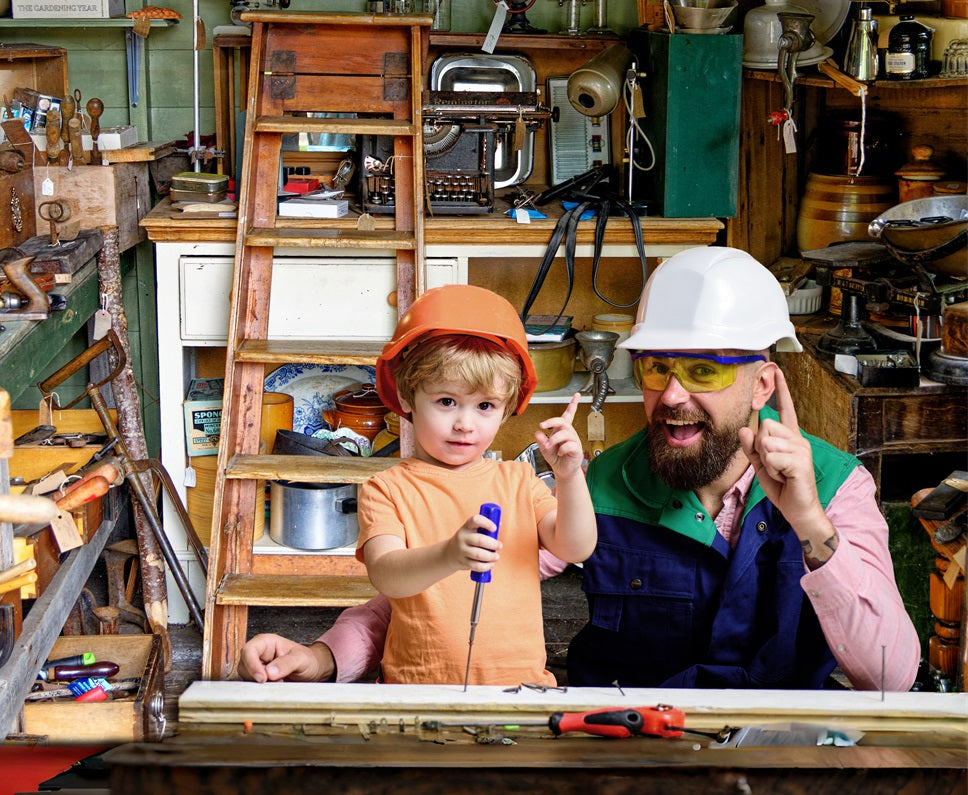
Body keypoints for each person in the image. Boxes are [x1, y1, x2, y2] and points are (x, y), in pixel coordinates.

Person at [240, 248, 919, 693]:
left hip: (778, 757)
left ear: (764, 384)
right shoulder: (600, 485)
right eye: (657, 369)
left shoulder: (837, 488)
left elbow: (890, 672)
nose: (672, 396)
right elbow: (437, 593)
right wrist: (326, 656)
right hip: (625, 753)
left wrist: (809, 523)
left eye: (704, 371)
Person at [245, 285, 595, 687]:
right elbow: (388, 577)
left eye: (485, 406)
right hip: (413, 691)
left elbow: (576, 547)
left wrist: (569, 478)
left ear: (507, 405)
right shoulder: (388, 488)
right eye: (447, 401)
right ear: (409, 396)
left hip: (521, 688)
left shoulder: (519, 481)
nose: (465, 423)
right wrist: (449, 554)